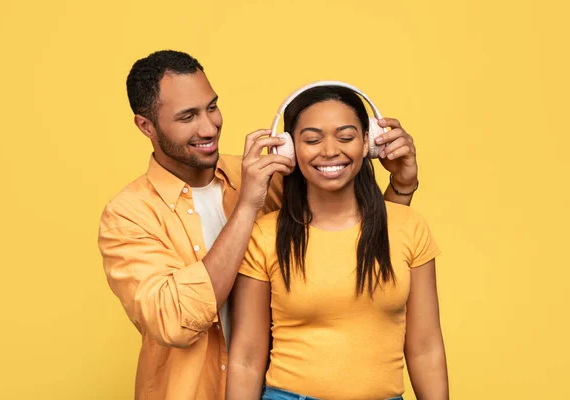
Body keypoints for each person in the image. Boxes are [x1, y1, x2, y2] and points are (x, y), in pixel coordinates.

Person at [98, 50, 421, 400]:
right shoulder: (128, 215)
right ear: (146, 126)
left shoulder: (269, 174)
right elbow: (173, 322)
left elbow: (352, 251)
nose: (208, 127)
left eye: (211, 107)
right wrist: (248, 205)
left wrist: (401, 188)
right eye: (187, 116)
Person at [227, 86, 448, 400]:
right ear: (287, 149)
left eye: (345, 137)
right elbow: (246, 357)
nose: (330, 151)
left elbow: (426, 348)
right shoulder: (264, 235)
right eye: (312, 139)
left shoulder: (409, 227)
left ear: (368, 143)